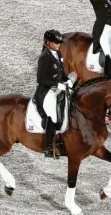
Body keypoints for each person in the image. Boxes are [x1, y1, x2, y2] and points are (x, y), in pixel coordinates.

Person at [34, 29, 73, 158]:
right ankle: (48, 147)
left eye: (59, 42)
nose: (58, 44)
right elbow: (40, 79)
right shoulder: (44, 58)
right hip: (45, 91)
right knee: (53, 116)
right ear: (48, 43)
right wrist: (57, 85)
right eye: (56, 43)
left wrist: (67, 80)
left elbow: (61, 72)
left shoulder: (58, 53)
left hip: (57, 88)